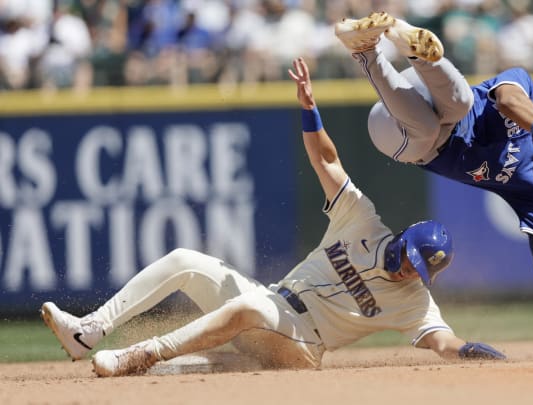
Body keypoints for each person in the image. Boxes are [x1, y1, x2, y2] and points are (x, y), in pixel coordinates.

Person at [40, 57, 506, 377]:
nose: (408, 271)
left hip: (302, 346)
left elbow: (443, 342)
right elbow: (327, 161)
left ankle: (136, 357)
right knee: (186, 259)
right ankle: (90, 331)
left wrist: (469, 351)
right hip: (274, 305)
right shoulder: (361, 220)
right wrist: (310, 110)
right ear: (403, 239)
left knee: (248, 311)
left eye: (419, 271)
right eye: (410, 259)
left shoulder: (413, 302)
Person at [333, 12, 533, 356]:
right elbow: (507, 101)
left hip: (406, 138)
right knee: (461, 102)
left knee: (434, 126)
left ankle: (367, 51)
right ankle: (401, 43)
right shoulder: (521, 83)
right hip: (419, 96)